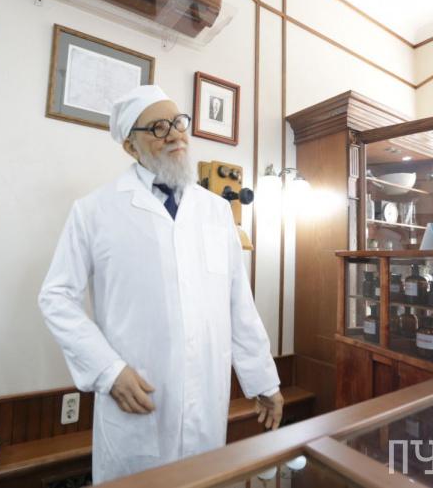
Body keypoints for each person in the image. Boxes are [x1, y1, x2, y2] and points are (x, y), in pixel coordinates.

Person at [38, 85, 283, 484]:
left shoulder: (216, 211)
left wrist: (264, 380)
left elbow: (238, 302)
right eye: (157, 127)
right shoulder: (94, 211)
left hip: (206, 403)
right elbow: (56, 297)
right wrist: (108, 371)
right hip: (138, 400)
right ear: (130, 146)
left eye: (178, 122)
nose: (175, 134)